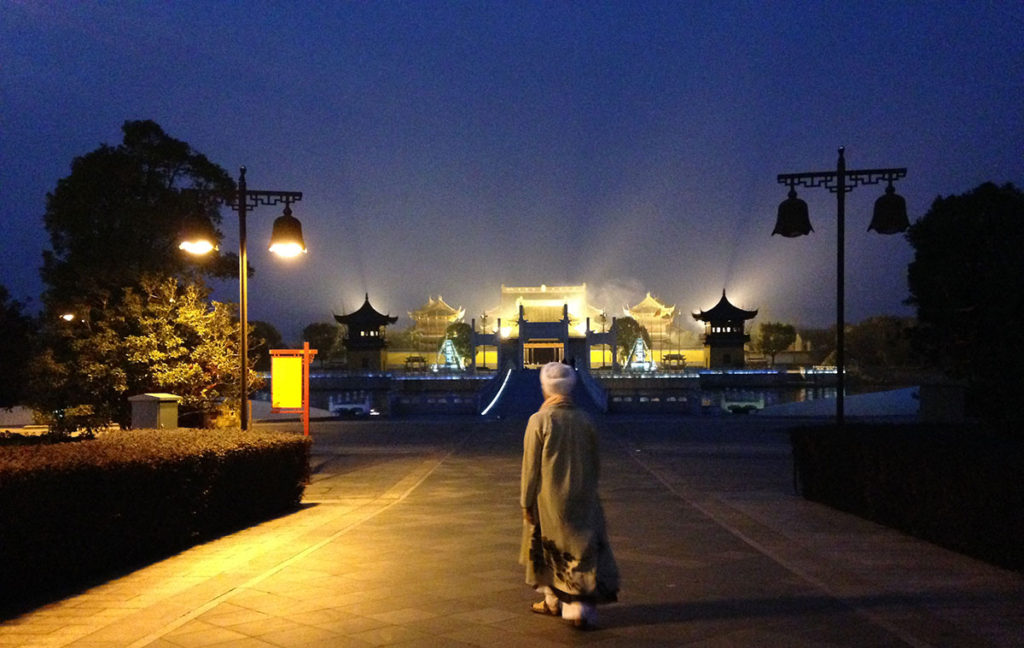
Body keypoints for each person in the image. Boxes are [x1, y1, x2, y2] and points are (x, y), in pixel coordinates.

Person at [519, 361, 619, 629]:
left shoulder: (539, 420)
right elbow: (596, 462)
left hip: (549, 499)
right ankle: (565, 604)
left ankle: (571, 608)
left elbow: (530, 468)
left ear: (545, 388)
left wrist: (526, 502)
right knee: (581, 549)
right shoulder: (585, 419)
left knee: (550, 549)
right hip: (583, 494)